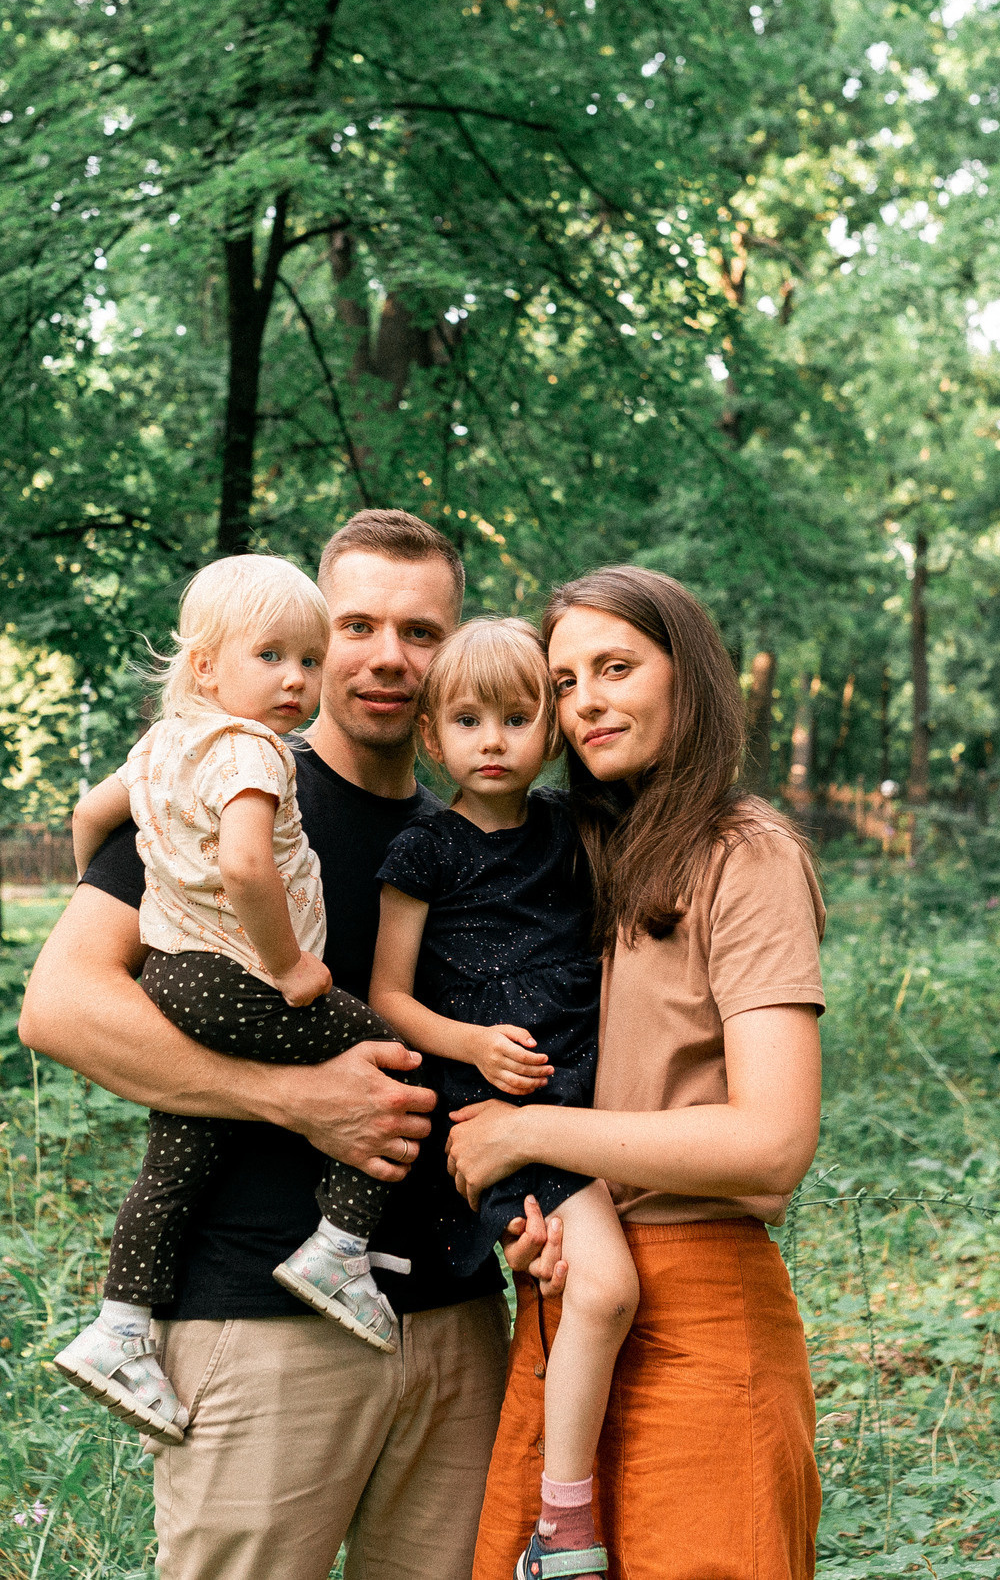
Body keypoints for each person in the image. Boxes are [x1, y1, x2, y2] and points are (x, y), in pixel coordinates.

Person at [18, 510, 508, 1580]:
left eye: (420, 633)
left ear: (452, 648)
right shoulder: (233, 791)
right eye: (357, 625)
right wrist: (291, 1098)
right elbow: (59, 1006)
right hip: (261, 1324)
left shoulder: (480, 830)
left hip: (459, 1325)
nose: (386, 656)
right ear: (312, 634)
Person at [446, 565, 827, 1580]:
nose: (587, 703)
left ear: (687, 677)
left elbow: (771, 1141)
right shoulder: (573, 857)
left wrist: (525, 1136)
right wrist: (549, 1211)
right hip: (572, 1307)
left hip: (700, 1318)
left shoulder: (744, 854)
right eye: (564, 683)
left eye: (615, 667)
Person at [52, 555, 410, 1446]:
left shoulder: (164, 743)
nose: (296, 678)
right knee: (392, 1052)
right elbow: (251, 865)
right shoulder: (254, 750)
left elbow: (90, 813)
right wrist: (290, 966)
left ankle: (120, 1325)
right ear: (206, 666)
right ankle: (337, 1247)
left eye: (306, 657)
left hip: (174, 973)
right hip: (239, 975)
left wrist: (99, 868)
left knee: (181, 1143)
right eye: (273, 656)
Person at [370, 616, 634, 1580]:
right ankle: (561, 1529)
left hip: (585, 1100)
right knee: (605, 1287)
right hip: (491, 1110)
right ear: (433, 737)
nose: (495, 740)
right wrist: (472, 1041)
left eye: (518, 718)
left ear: (551, 732)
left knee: (579, 1287)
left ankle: (567, 1501)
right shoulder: (425, 849)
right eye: (470, 720)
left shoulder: (572, 828)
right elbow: (389, 995)